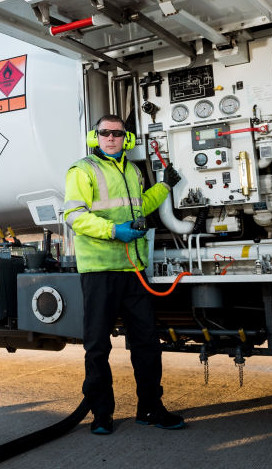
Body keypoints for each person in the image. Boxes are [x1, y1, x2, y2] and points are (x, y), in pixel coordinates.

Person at [64, 114, 184, 435]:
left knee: (146, 343)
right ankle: (101, 414)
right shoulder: (83, 170)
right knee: (98, 347)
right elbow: (74, 216)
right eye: (105, 133)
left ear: (126, 139)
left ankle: (150, 408)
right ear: (96, 137)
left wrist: (163, 186)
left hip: (133, 270)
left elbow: (140, 206)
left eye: (117, 134)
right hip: (100, 271)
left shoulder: (132, 171)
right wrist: (113, 231)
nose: (111, 138)